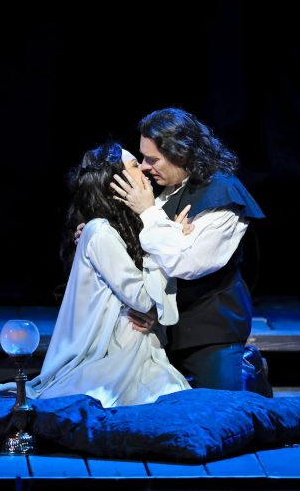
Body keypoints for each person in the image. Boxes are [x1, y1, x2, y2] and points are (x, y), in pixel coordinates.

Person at [0, 142, 192, 407]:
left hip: (138, 349)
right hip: (117, 356)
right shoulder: (99, 232)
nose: (144, 169)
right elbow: (143, 300)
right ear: (116, 181)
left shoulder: (128, 226)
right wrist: (169, 241)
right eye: (134, 165)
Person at [108, 107, 272, 396]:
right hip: (158, 327)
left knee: (224, 410)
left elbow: (187, 264)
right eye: (143, 158)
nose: (144, 167)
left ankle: (248, 368)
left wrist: (149, 214)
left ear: (181, 154)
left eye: (153, 159)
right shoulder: (160, 189)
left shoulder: (222, 194)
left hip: (208, 329)